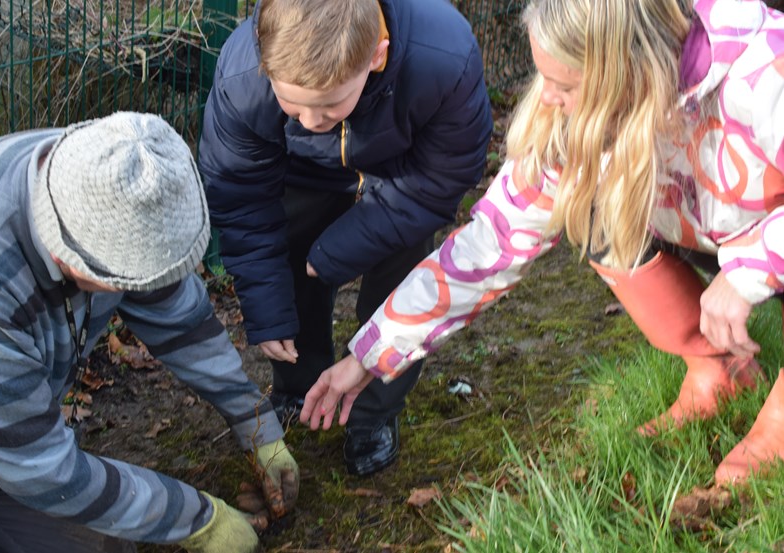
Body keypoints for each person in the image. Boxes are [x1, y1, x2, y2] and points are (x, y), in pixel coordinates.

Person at [300, 0, 784, 487]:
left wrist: (750, 270)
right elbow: (488, 247)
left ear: (626, 71)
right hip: (713, 226)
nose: (548, 98)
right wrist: (368, 356)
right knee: (591, 212)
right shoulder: (574, 121)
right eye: (544, 77)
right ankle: (717, 370)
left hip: (765, 229)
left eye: (567, 86)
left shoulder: (765, 73)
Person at [0, 112, 299, 553]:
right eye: (129, 282)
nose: (144, 291)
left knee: (111, 543)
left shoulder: (102, 172)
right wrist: (200, 521)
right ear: (73, 261)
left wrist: (258, 427)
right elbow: (42, 470)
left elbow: (182, 319)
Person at [198, 0, 493, 476]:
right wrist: (267, 309)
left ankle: (373, 411)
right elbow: (241, 195)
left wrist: (336, 253)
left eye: (331, 103)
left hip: (403, 178)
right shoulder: (241, 77)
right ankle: (298, 385)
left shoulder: (444, 56)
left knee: (405, 269)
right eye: (292, 104)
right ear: (264, 62)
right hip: (304, 170)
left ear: (376, 56)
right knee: (289, 254)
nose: (313, 120)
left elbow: (440, 179)